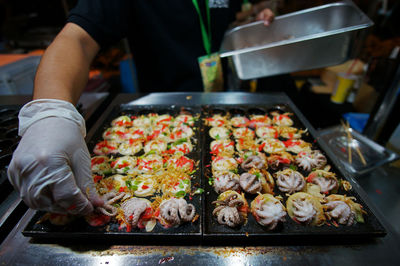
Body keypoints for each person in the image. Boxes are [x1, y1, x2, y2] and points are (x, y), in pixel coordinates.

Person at [7, 0, 275, 216]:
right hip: (157, 110)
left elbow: (232, 14)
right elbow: (77, 39)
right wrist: (50, 112)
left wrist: (256, 15)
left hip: (219, 103)